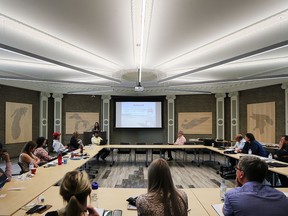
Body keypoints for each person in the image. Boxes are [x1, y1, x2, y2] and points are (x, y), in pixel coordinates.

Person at [223, 156, 288, 216]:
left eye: (237, 168)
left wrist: (237, 188)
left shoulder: (231, 195)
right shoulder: (281, 196)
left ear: (241, 174)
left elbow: (226, 212)